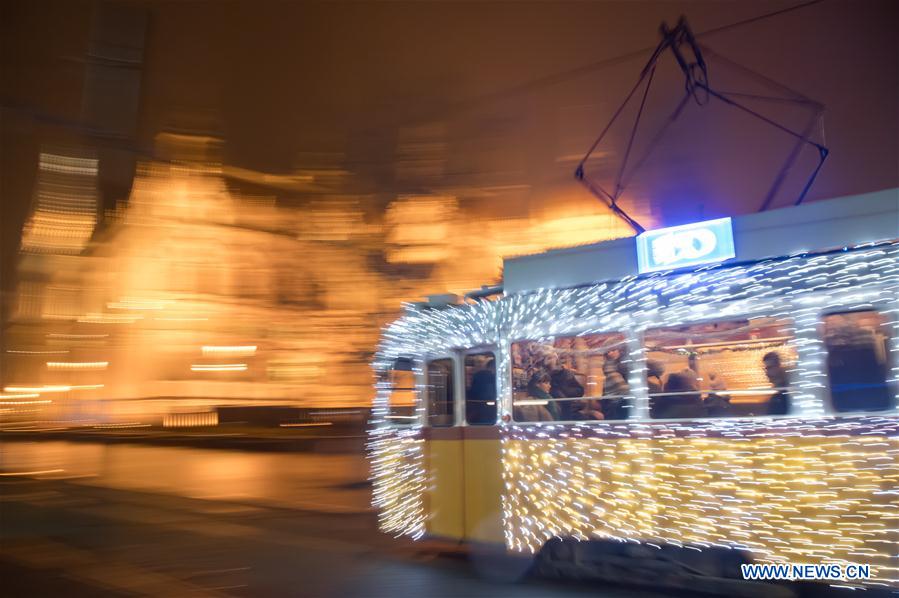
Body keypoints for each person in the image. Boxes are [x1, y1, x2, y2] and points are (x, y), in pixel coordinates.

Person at [601, 349, 630, 420]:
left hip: (621, 404)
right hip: (616, 405)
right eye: (608, 352)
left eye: (613, 350)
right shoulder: (611, 371)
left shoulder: (626, 364)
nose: (610, 353)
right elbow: (624, 391)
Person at [467, 358, 497, 424]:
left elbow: (473, 392)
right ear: (493, 367)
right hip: (489, 409)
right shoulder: (493, 377)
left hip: (479, 408)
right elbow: (491, 395)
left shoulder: (477, 375)